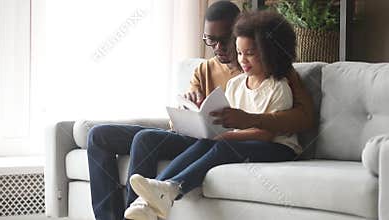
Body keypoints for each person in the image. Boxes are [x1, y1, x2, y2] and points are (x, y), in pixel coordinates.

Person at [87, 2, 314, 220]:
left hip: (237, 140)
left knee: (155, 140)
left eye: (224, 40)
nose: (218, 49)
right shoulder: (206, 70)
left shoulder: (279, 77)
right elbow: (188, 117)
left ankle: (157, 197)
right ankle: (134, 208)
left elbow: (302, 118)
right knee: (105, 135)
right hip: (204, 137)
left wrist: (243, 122)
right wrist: (189, 107)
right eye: (210, 41)